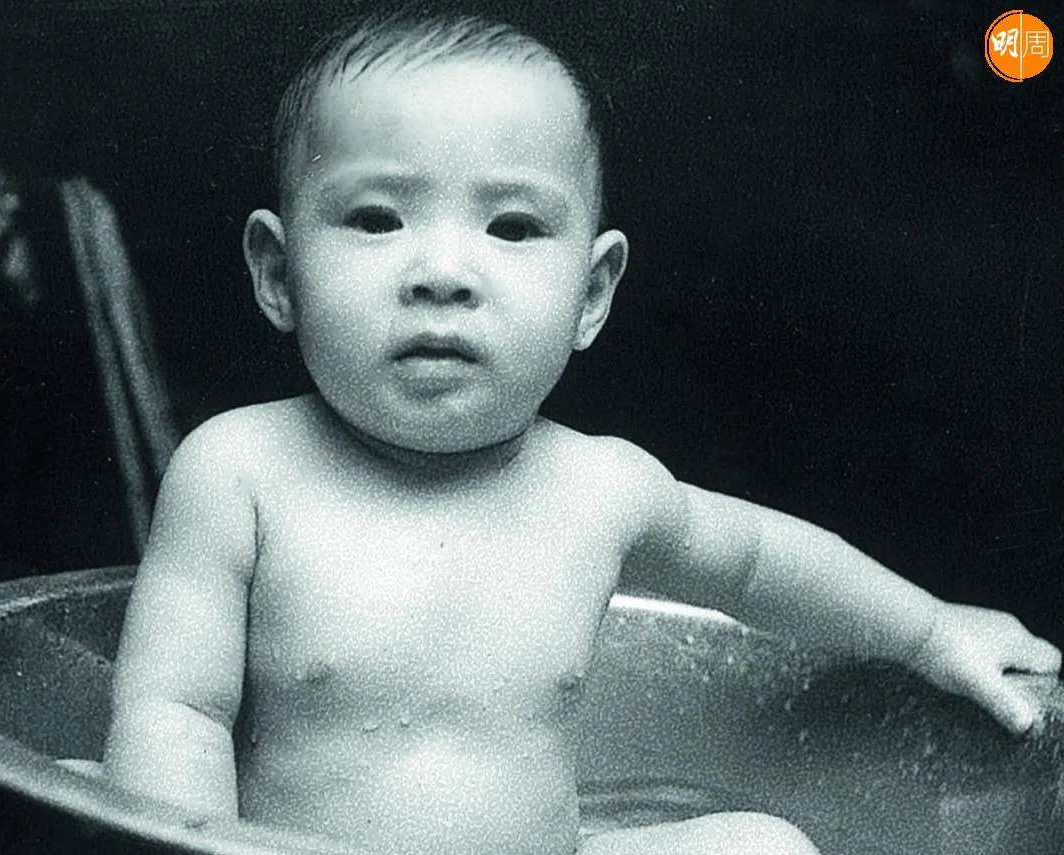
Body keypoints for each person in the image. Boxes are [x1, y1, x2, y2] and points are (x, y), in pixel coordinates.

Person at [103, 8, 1061, 855]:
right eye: (377, 217)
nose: (443, 272)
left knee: (764, 845)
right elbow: (172, 711)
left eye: (513, 227)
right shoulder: (238, 471)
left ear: (591, 293)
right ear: (279, 273)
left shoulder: (601, 489)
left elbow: (760, 563)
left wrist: (930, 629)